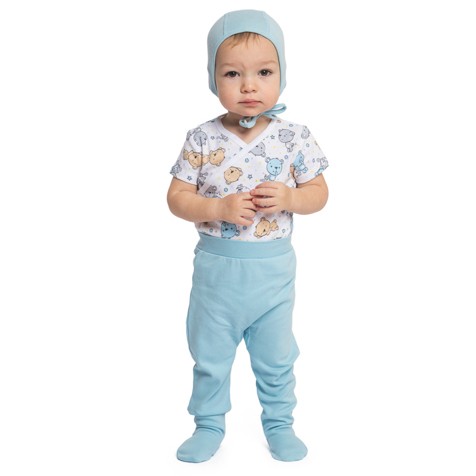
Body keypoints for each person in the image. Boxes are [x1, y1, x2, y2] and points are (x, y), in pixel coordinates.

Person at [167, 9, 329, 463]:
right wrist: (216, 208)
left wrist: (291, 198)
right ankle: (208, 424)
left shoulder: (295, 137)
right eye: (232, 74)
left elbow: (319, 194)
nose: (249, 86)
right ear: (213, 77)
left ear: (282, 73)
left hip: (272, 276)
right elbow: (176, 198)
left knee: (277, 358)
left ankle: (279, 423)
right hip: (216, 275)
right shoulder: (202, 138)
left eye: (264, 72)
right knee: (210, 356)